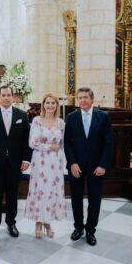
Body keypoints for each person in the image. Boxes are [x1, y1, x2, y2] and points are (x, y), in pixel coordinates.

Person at [64, 87, 112, 246]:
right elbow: (67, 143)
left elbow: (108, 143)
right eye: (80, 98)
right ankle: (78, 227)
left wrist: (102, 165)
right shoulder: (71, 117)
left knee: (95, 199)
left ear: (92, 99)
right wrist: (72, 163)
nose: (83, 100)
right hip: (76, 166)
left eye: (85, 97)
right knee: (76, 198)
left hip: (96, 167)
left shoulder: (103, 117)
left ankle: (91, 229)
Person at [0, 86, 32, 238]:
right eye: (3, 95)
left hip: (15, 163)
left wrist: (26, 159)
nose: (6, 97)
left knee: (12, 194)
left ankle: (11, 222)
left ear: (13, 97)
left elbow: (26, 139)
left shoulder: (22, 115)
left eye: (8, 95)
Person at [24, 94, 66, 238]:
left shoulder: (60, 123)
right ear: (43, 105)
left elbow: (62, 145)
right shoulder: (37, 121)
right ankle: (38, 223)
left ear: (56, 105)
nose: (50, 105)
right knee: (40, 190)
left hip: (55, 163)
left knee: (51, 191)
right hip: (40, 161)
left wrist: (61, 160)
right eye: (47, 103)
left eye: (53, 103)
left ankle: (48, 223)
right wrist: (49, 147)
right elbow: (32, 143)